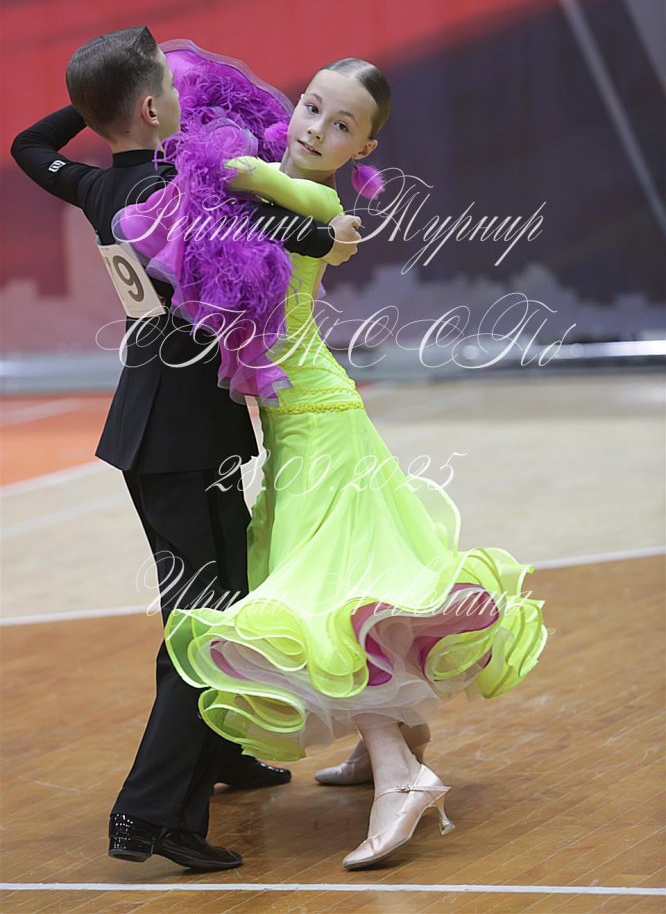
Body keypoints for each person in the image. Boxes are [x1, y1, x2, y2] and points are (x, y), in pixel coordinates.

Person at [117, 46, 548, 871]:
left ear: (364, 149)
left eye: (342, 125)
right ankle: (398, 734)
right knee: (352, 580)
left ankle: (402, 778)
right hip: (301, 416)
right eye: (312, 106)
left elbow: (232, 171)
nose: (316, 128)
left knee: (326, 592)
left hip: (316, 420)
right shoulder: (288, 181)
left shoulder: (311, 196)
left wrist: (177, 130)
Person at [10, 27, 362, 873]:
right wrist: (329, 235)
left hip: (164, 427)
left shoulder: (98, 183)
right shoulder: (175, 185)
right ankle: (149, 814)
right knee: (203, 618)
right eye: (168, 86)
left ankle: (225, 752)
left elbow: (28, 144)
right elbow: (269, 219)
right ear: (149, 106)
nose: (183, 94)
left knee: (225, 597)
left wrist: (94, 103)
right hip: (178, 433)